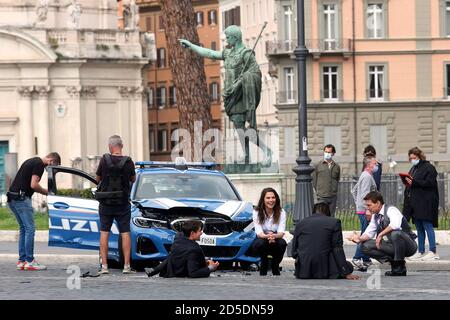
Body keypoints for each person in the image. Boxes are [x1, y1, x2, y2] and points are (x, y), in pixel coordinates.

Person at [179, 25, 270, 164]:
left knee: (242, 128)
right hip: (230, 95)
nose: (227, 41)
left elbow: (255, 73)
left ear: (235, 37)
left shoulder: (246, 54)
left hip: (241, 95)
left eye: (228, 38)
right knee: (239, 128)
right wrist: (191, 46)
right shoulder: (228, 53)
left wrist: (241, 82)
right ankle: (247, 156)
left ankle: (266, 151)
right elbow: (209, 53)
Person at [7, 152, 61, 271]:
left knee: (23, 229)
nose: (50, 170)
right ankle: (30, 261)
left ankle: (22, 261)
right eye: (53, 167)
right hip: (22, 199)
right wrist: (47, 192)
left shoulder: (31, 160)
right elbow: (34, 185)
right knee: (30, 229)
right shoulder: (39, 165)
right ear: (52, 161)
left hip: (12, 198)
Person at [348, 191, 418, 276]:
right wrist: (358, 238)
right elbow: (369, 232)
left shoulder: (391, 209)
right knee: (364, 246)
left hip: (409, 246)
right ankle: (394, 263)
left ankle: (400, 268)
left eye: (369, 205)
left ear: (377, 203)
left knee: (396, 233)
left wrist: (380, 235)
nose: (367, 208)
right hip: (392, 245)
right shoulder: (375, 216)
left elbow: (395, 225)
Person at [95, 135, 136, 274]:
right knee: (125, 232)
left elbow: (97, 178)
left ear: (110, 147)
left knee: (104, 232)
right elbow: (133, 178)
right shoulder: (128, 161)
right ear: (121, 146)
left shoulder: (104, 160)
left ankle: (105, 266)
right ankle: (126, 266)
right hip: (123, 203)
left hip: (106, 203)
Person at [291, 203, 359, 280]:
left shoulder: (300, 223)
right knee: (349, 266)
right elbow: (337, 248)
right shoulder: (334, 222)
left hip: (304, 271)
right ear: (328, 212)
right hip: (325, 270)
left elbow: (294, 252)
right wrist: (346, 271)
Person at [402, 147, 440, 261]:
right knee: (418, 226)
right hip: (416, 203)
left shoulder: (429, 168)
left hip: (426, 202)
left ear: (420, 157)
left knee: (427, 225)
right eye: (411, 158)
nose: (413, 160)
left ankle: (433, 251)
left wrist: (414, 182)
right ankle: (421, 251)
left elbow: (429, 183)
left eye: (415, 157)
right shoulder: (413, 169)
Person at [147, 220, 220, 278]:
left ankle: (154, 270)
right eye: (199, 231)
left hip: (169, 272)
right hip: (179, 275)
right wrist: (211, 268)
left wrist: (205, 261)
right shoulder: (193, 250)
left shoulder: (178, 238)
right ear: (192, 233)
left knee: (172, 255)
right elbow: (193, 273)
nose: (201, 233)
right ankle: (154, 270)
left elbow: (182, 256)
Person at [248, 188, 287, 276]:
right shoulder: (256, 212)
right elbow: (259, 233)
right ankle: (264, 265)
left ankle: (275, 265)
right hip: (263, 239)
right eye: (268, 198)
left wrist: (273, 236)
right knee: (260, 243)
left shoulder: (281, 212)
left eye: (273, 197)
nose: (271, 200)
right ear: (263, 200)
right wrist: (268, 236)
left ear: (276, 199)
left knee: (282, 243)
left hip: (276, 239)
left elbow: (281, 233)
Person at [350, 156, 378, 271]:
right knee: (365, 235)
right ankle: (357, 258)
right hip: (365, 211)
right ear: (369, 165)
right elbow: (366, 194)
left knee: (366, 233)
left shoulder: (364, 175)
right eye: (375, 163)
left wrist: (358, 204)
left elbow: (354, 191)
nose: (377, 165)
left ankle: (366, 258)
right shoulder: (367, 176)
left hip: (362, 209)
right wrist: (367, 209)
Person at [312, 144, 341, 217]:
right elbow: (314, 180)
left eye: (329, 152)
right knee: (321, 216)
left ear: (333, 153)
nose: (327, 154)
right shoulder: (318, 165)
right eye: (325, 152)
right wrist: (319, 191)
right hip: (321, 196)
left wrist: (334, 190)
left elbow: (337, 179)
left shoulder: (336, 166)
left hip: (332, 196)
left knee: (331, 216)